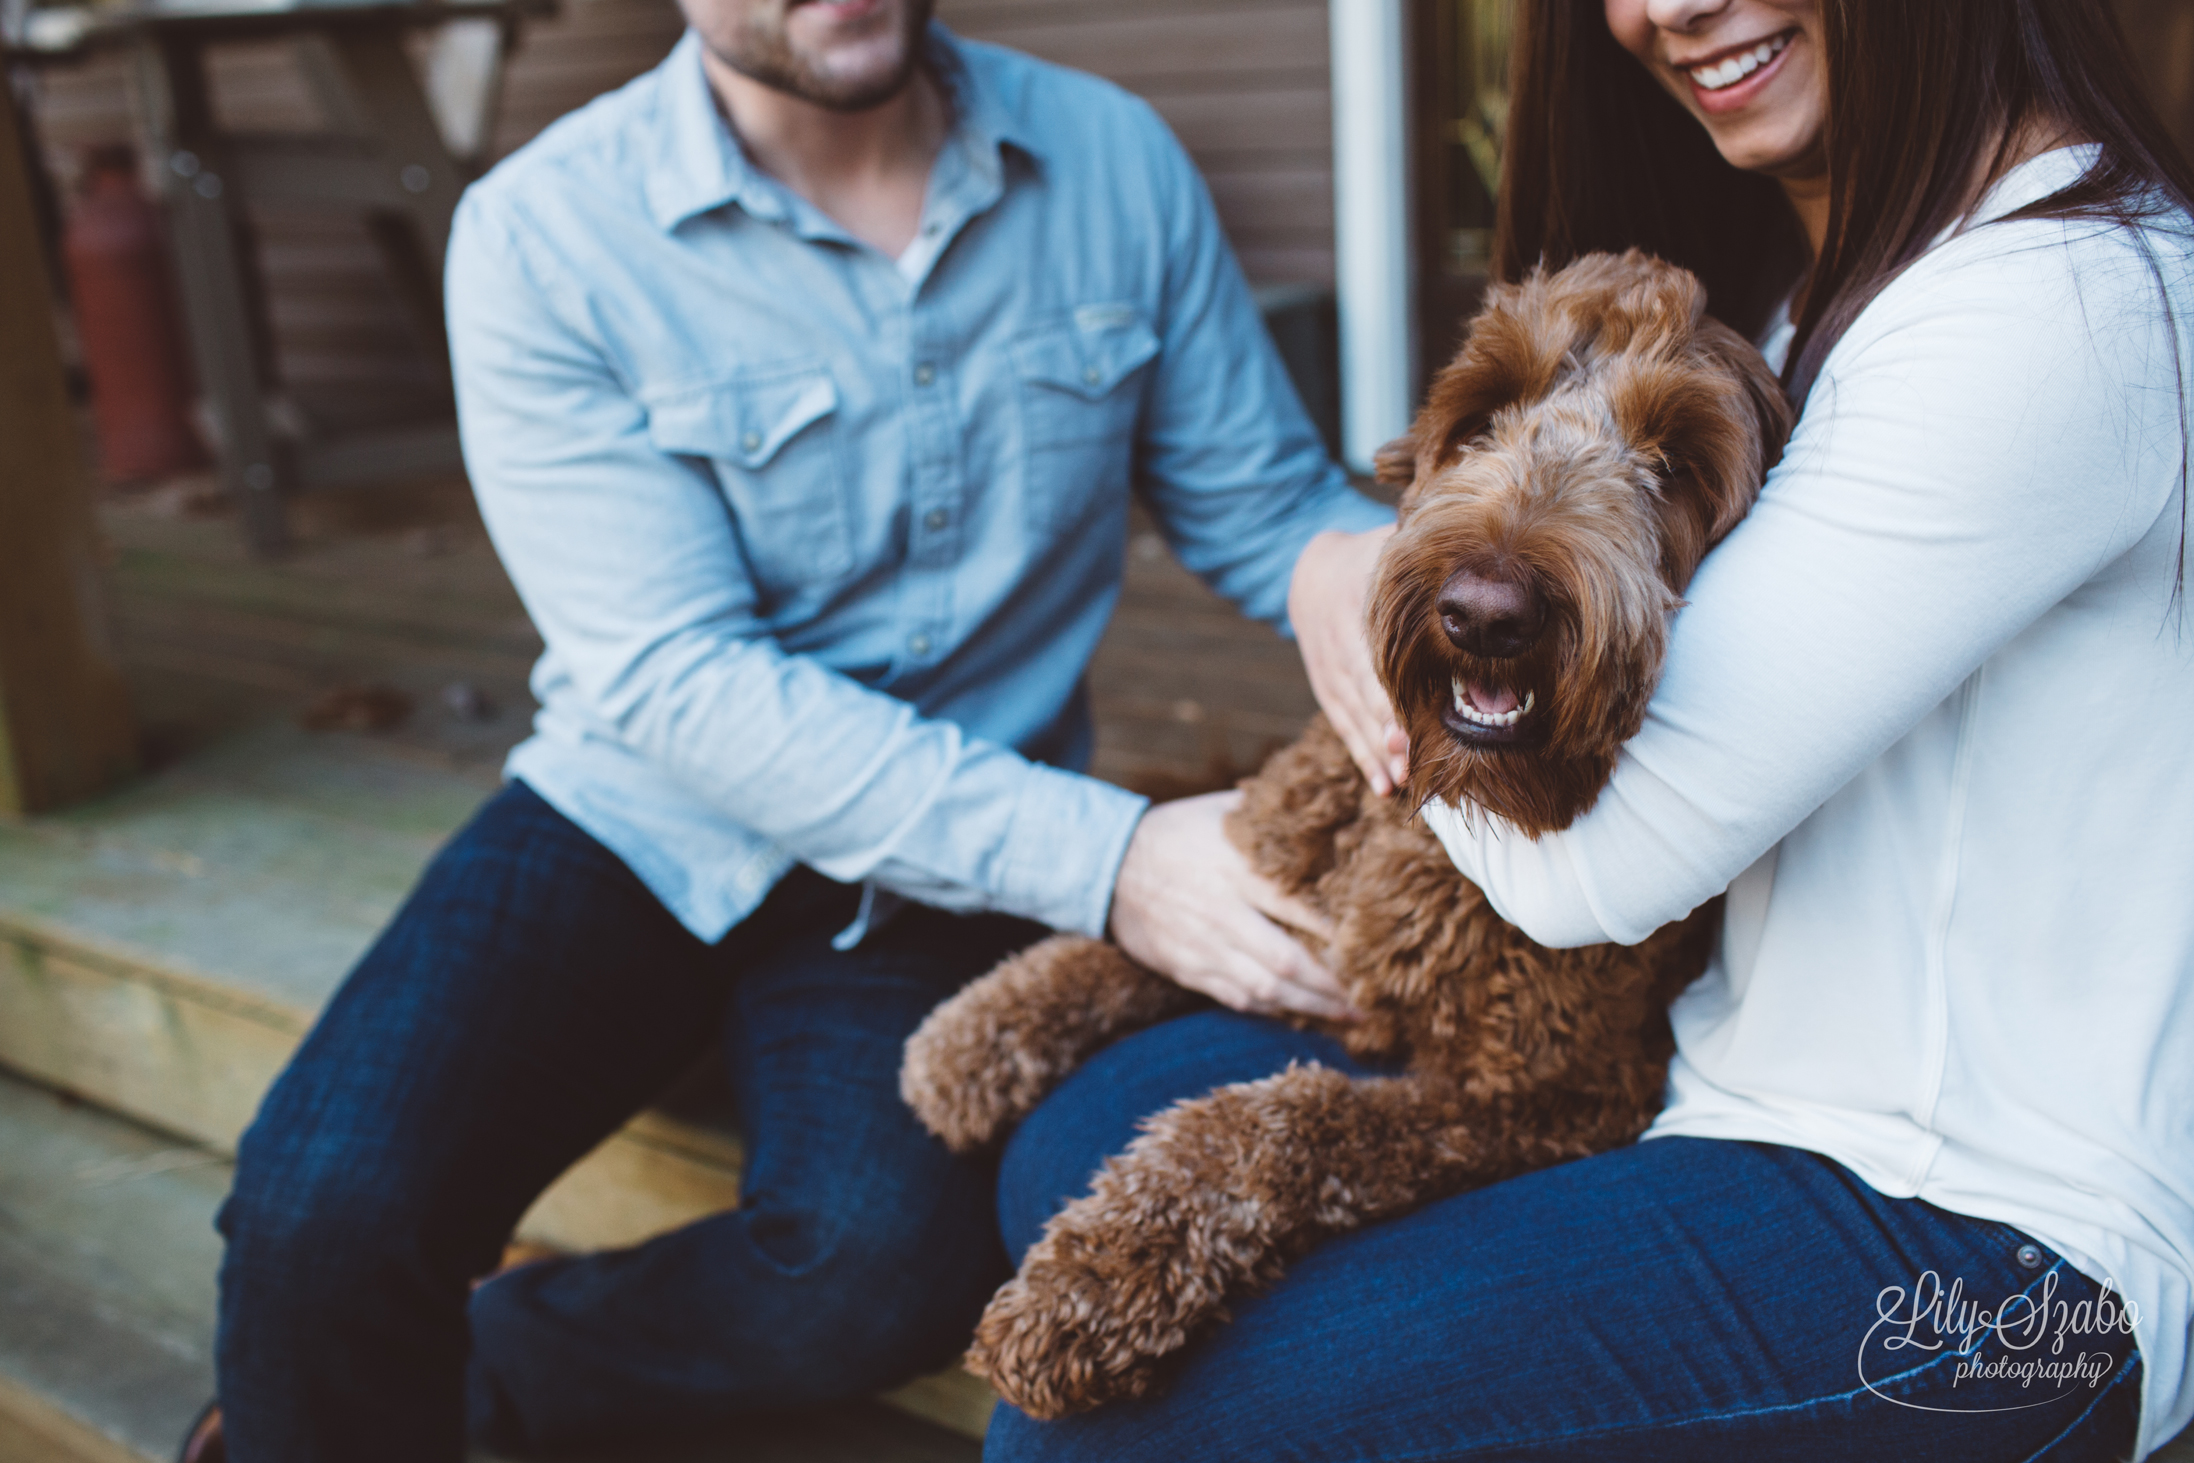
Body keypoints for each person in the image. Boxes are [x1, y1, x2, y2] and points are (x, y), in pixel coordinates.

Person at [191, 0, 1406, 1458]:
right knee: (323, 1207)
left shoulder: (1110, 161)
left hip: (949, 864)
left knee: (858, 1277)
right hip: (645, 816)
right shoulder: (543, 230)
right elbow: (677, 677)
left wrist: (1357, 564)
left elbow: (1265, 503)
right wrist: (1120, 860)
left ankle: (486, 1364)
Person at [984, 1, 2194, 1460]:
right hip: (1718, 1083)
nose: (1670, 4)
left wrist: (1371, 620)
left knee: (1098, 1438)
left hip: (1978, 1244)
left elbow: (1588, 867)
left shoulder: (2057, 308)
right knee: (1075, 1127)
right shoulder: (1847, 290)